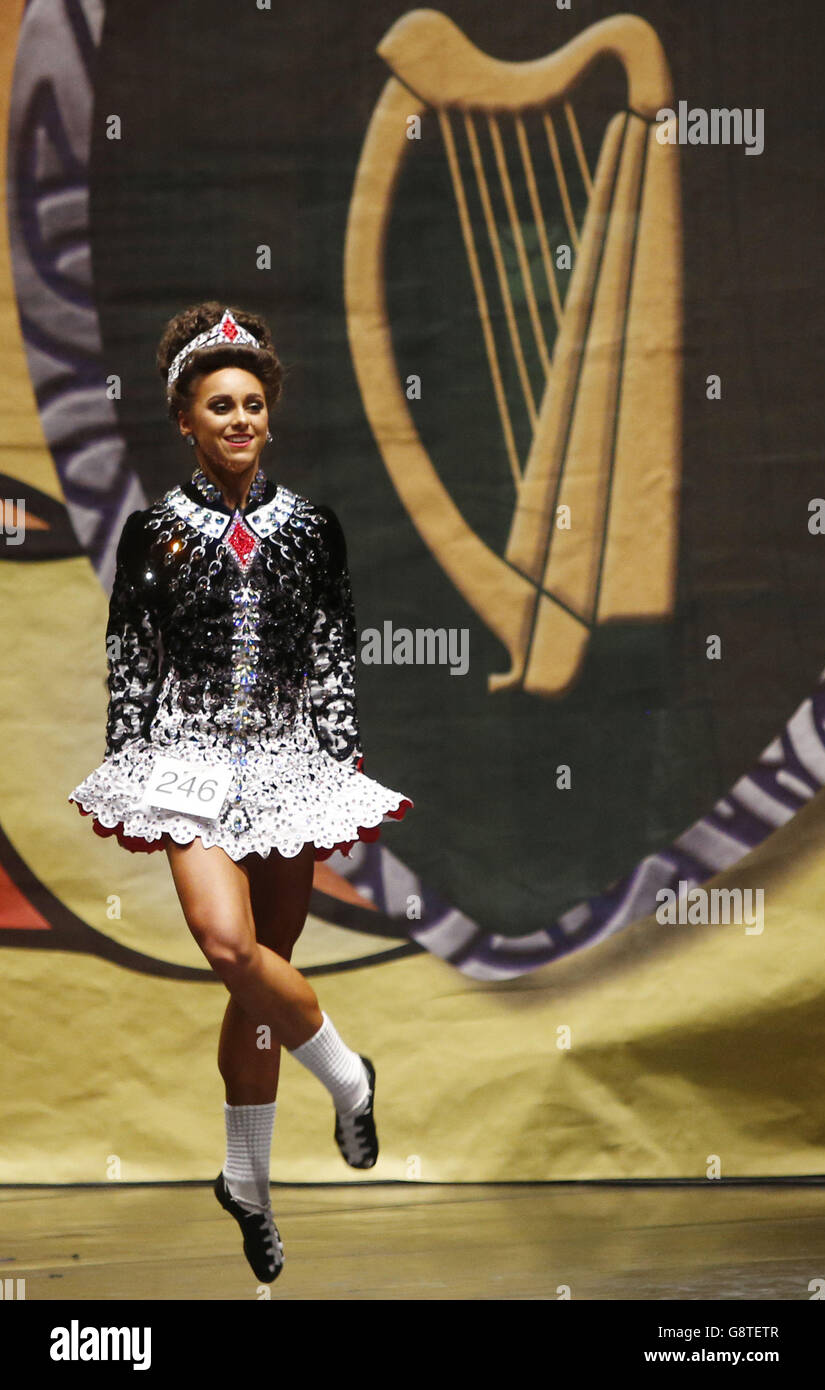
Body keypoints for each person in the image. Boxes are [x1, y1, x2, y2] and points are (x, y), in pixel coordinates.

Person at [67, 301, 413, 1283]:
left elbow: (337, 653)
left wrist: (338, 758)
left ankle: (246, 1182)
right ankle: (349, 1073)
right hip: (187, 764)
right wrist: (128, 762)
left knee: (259, 975)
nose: (238, 421)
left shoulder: (311, 528)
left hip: (290, 765)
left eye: (252, 405)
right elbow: (130, 660)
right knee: (230, 946)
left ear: (269, 417)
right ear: (184, 418)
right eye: (218, 405)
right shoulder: (152, 535)